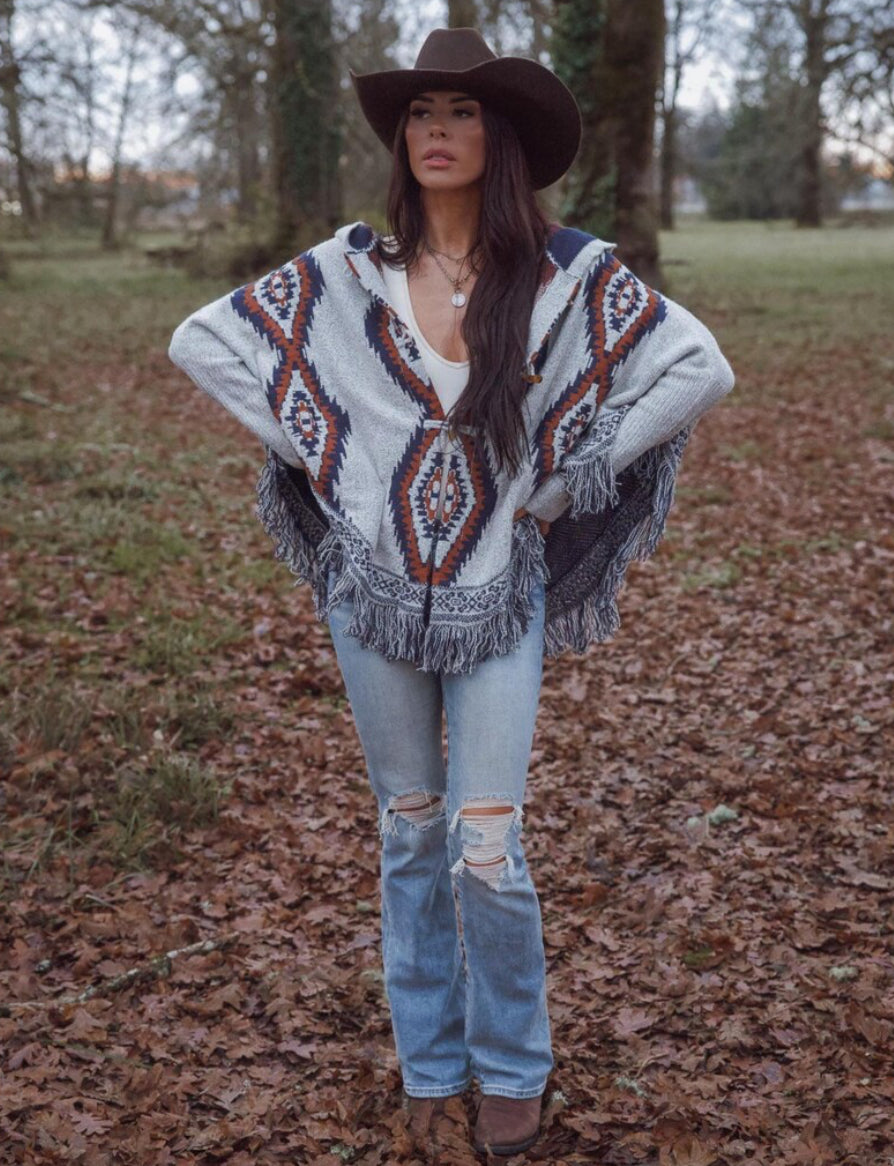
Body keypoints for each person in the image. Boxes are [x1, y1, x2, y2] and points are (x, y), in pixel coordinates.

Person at [167, 27, 735, 1158]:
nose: (437, 132)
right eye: (421, 113)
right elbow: (203, 343)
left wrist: (573, 471)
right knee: (410, 829)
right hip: (369, 589)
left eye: (462, 113)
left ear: (502, 136)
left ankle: (513, 1066)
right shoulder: (348, 271)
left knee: (488, 841)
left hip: (498, 593)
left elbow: (699, 365)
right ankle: (431, 1062)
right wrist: (330, 452)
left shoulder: (566, 273)